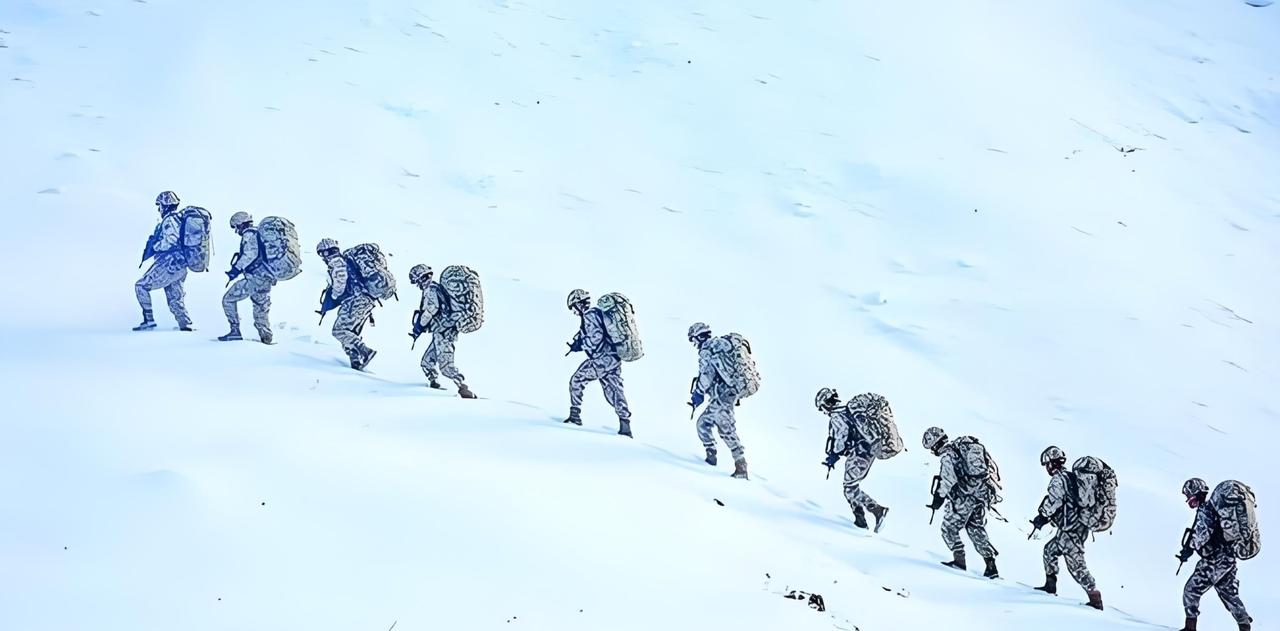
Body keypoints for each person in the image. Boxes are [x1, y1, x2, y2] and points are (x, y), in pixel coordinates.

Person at [1031, 446, 1103, 610]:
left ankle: (1095, 598)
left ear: (1052, 463)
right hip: (1076, 526)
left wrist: (1042, 516)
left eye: (1047, 464)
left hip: (1070, 529)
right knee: (1050, 550)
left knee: (1076, 565)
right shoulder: (1070, 476)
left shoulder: (1058, 480)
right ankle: (1050, 586)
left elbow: (1054, 502)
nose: (1046, 468)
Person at [923, 426, 999, 578]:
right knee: (975, 528)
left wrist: (938, 498)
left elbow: (948, 479)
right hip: (981, 495)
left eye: (932, 448)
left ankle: (959, 562)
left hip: (964, 497)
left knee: (948, 528)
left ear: (935, 444)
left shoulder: (948, 455)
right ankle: (991, 565)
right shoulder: (961, 448)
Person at [1177, 478, 1252, 631]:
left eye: (1188, 496)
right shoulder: (1213, 509)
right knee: (1229, 594)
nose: (1188, 500)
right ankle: (1245, 626)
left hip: (1215, 560)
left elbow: (1201, 537)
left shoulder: (1206, 511)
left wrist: (1188, 549)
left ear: (1195, 494)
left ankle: (1190, 627)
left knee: (1191, 590)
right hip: (1228, 559)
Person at [817, 388, 889, 531]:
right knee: (850, 486)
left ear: (827, 403)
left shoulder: (837, 416)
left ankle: (875, 512)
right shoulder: (849, 410)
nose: (823, 411)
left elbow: (841, 438)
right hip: (868, 450)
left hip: (859, 452)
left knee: (849, 488)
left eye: (822, 408)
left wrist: (834, 454)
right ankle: (861, 520)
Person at [564, 289, 631, 436]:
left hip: (601, 360)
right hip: (613, 359)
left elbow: (595, 338)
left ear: (578, 304)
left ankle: (575, 415)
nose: (574, 312)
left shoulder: (589, 316)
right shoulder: (597, 313)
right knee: (613, 391)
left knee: (576, 380)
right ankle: (625, 425)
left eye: (573, 307)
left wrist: (581, 345)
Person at [688, 322, 748, 479]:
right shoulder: (718, 347)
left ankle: (741, 467)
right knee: (704, 424)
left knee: (725, 429)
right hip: (723, 395)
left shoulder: (708, 350)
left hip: (724, 396)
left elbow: (706, 376)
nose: (693, 344)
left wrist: (698, 392)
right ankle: (711, 456)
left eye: (693, 339)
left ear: (698, 337)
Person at [409, 264, 475, 398]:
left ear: (420, 278)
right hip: (440, 331)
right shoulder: (434, 288)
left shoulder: (431, 290)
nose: (417, 285)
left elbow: (431, 310)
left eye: (416, 281)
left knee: (446, 366)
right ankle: (434, 385)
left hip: (444, 332)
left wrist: (419, 326)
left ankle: (464, 388)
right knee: (426, 363)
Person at [133, 191, 193, 331]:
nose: (158, 209)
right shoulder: (179, 219)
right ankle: (185, 324)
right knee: (174, 296)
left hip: (169, 263)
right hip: (181, 264)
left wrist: (155, 246)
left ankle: (149, 320)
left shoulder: (169, 220)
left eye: (159, 205)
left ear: (165, 205)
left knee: (141, 286)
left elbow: (170, 241)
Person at [316, 238, 377, 370]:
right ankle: (355, 360)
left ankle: (365, 351)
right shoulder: (347, 260)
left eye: (321, 254)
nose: (322, 257)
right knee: (349, 332)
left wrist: (335, 295)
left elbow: (341, 280)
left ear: (326, 252)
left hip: (355, 300)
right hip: (366, 300)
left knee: (339, 331)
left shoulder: (336, 262)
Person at [218, 212, 275, 343]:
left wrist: (235, 270)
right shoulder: (260, 234)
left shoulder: (249, 235)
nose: (236, 231)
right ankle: (266, 336)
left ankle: (235, 331)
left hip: (254, 279)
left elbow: (249, 255)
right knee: (260, 306)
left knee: (228, 300)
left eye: (235, 227)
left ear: (240, 224)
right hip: (266, 278)